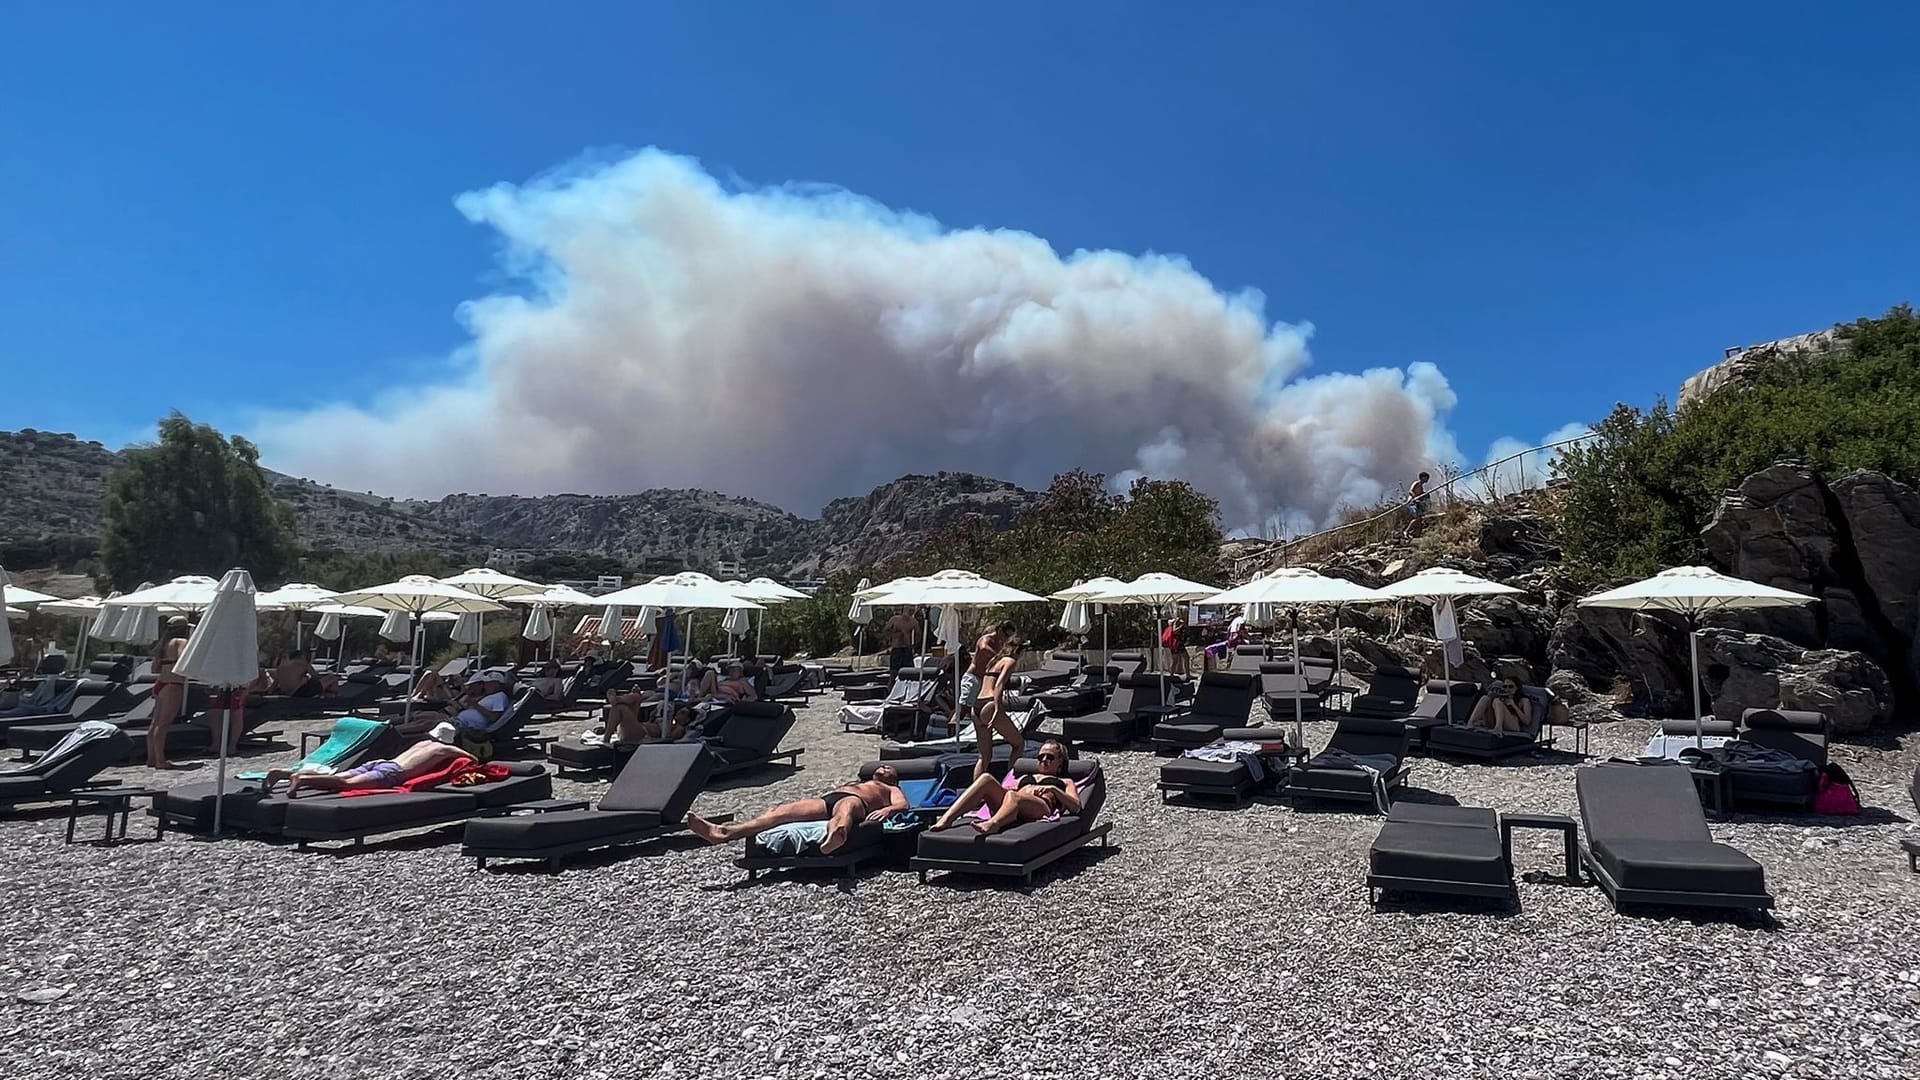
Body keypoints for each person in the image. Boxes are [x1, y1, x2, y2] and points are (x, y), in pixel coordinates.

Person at [687, 766, 908, 854]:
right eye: (881, 766)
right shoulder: (860, 780)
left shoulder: (890, 788)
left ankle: (836, 836)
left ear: (894, 777)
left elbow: (902, 805)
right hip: (827, 800)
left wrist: (888, 811)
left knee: (845, 808)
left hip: (857, 802)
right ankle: (725, 833)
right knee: (781, 811)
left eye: (889, 768)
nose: (884, 767)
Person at [265, 722, 475, 796]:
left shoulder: (422, 743)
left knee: (337, 776)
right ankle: (302, 780)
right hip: (391, 773)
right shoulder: (444, 749)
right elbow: (472, 758)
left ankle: (287, 774)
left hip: (380, 763)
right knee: (345, 784)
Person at [929, 739, 1081, 836]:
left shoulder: (1065, 781)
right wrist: (1012, 790)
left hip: (1041, 807)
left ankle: (993, 824)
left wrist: (1053, 790)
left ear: (1061, 762)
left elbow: (1076, 807)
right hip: (1014, 802)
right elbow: (1009, 790)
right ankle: (947, 819)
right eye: (1041, 757)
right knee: (986, 778)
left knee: (1014, 796)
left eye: (1050, 757)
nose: (1044, 760)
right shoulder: (1024, 776)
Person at [972, 634, 1026, 767]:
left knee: (984, 757)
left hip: (977, 706)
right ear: (1020, 650)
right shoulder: (1010, 661)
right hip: (990, 704)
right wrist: (997, 707)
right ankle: (1010, 783)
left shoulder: (995, 660)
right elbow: (999, 684)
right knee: (1018, 744)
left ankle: (976, 787)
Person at [147, 616, 193, 769]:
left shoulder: (163, 645)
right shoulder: (180, 642)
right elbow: (183, 659)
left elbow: (154, 668)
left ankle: (152, 758)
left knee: (155, 723)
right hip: (174, 684)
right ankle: (161, 760)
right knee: (164, 724)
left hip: (161, 683)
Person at [957, 621, 1016, 724]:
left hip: (984, 681)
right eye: (1006, 635)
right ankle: (953, 728)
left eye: (1009, 636)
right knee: (964, 707)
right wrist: (1000, 657)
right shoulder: (987, 639)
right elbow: (983, 648)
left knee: (976, 708)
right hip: (973, 677)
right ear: (999, 630)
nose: (1006, 638)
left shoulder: (1001, 644)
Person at [452, 670, 514, 735]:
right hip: (461, 721)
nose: (485, 686)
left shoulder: (500, 696)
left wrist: (475, 705)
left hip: (466, 725)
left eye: (488, 684)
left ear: (496, 684)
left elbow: (494, 717)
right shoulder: (491, 696)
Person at [1469, 676, 1534, 734]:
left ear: (1517, 688)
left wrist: (1514, 705)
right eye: (1505, 687)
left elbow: (1527, 721)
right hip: (1493, 723)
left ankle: (1498, 728)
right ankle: (1470, 723)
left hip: (1514, 726)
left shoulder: (1524, 700)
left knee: (1497, 701)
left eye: (1511, 687)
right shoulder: (1501, 697)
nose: (1507, 689)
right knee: (1485, 698)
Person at [270, 650, 338, 697]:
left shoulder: (280, 668)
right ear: (301, 657)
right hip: (300, 693)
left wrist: (269, 694)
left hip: (286, 693)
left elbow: (274, 684)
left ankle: (325, 695)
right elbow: (315, 677)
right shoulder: (302, 664)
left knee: (311, 684)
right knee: (332, 678)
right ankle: (332, 697)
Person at [882, 607, 918, 674]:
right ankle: (892, 683)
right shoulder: (894, 619)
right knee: (894, 672)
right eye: (910, 610)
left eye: (912, 611)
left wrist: (913, 645)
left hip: (907, 648)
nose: (911, 612)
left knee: (909, 672)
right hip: (897, 647)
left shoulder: (913, 621)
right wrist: (891, 638)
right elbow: (886, 631)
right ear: (904, 610)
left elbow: (918, 634)